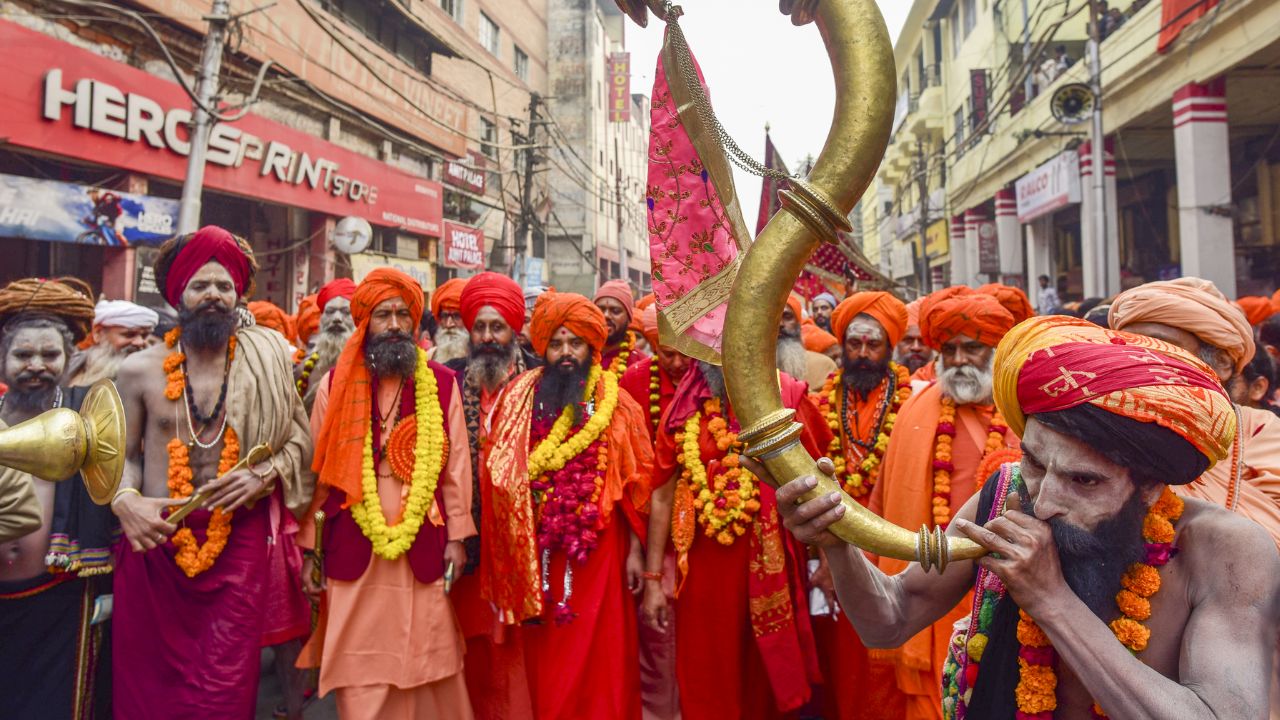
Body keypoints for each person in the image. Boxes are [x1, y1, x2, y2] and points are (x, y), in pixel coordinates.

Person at [776, 314, 1280, 720]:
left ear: (1150, 487)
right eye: (1035, 462)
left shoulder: (1225, 551)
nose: (1043, 502)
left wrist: (1050, 600)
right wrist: (836, 540)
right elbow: (888, 621)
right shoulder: (1006, 496)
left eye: (1084, 481)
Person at [111, 226, 314, 719]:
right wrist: (126, 501)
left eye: (225, 286)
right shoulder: (138, 370)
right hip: (156, 540)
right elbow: (120, 456)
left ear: (238, 295)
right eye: (200, 285)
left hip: (236, 543)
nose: (214, 296)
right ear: (178, 294)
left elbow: (299, 441)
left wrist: (263, 475)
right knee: (147, 686)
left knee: (224, 685)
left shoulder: (266, 359)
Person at [298, 267, 475, 719]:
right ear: (365, 323)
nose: (394, 325)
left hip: (422, 535)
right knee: (359, 655)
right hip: (353, 535)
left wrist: (457, 537)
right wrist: (309, 551)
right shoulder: (335, 383)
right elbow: (318, 474)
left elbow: (456, 468)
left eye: (402, 315)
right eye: (383, 315)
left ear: (414, 321)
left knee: (425, 647)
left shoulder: (442, 383)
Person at [482, 290, 654, 719]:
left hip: (600, 548)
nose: (564, 353)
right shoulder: (520, 395)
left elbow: (638, 480)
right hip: (536, 548)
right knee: (546, 664)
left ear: (591, 346)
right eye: (556, 343)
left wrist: (637, 551)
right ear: (542, 347)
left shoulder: (615, 402)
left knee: (601, 656)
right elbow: (497, 467)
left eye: (575, 343)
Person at [867, 286, 1020, 720]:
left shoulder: (1023, 410)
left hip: (1004, 585)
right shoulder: (916, 410)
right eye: (949, 350)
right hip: (929, 585)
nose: (958, 360)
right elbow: (883, 500)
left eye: (972, 348)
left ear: (996, 352)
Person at [0, 277, 113, 720]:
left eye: (50, 355)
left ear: (69, 359)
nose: (36, 365)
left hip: (59, 601)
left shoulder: (89, 418)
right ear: (3, 360)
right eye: (23, 355)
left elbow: (121, 472)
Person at [1109, 277, 1280, 548]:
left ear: (1222, 364)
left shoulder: (1267, 436)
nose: (1140, 361)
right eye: (1129, 347)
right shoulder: (1100, 435)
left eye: (1162, 346)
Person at [809, 292, 914, 720]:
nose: (864, 354)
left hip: (894, 546)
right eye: (855, 344)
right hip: (836, 545)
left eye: (874, 344)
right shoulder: (820, 403)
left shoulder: (911, 401)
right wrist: (826, 555)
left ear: (890, 347)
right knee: (843, 661)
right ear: (842, 345)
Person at [445, 272, 541, 720]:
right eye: (479, 327)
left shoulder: (540, 381)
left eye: (497, 327)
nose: (487, 337)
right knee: (471, 637)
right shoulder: (449, 380)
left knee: (519, 647)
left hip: (522, 537)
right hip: (469, 535)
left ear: (515, 330)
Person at [619, 304, 688, 719]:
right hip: (648, 526)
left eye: (685, 353)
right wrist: (635, 547)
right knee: (657, 633)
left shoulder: (716, 380)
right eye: (667, 354)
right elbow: (632, 472)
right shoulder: (633, 381)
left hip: (708, 527)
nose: (677, 364)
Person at [67, 299, 158, 387]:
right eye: (129, 335)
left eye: (144, 336)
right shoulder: (71, 365)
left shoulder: (155, 379)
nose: (140, 342)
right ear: (98, 333)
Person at [296, 279, 356, 411]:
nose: (337, 318)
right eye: (330, 311)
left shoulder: (370, 366)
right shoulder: (303, 371)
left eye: (346, 312)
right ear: (321, 319)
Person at [779, 292, 837, 390]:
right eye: (773, 318)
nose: (780, 324)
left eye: (787, 317)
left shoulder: (824, 367)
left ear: (799, 324)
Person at [595, 279, 650, 375]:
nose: (606, 315)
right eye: (600, 309)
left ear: (629, 318)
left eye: (615, 311)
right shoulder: (580, 356)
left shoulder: (641, 365)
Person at [897, 298, 936, 383]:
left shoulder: (944, 385)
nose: (916, 347)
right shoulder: (883, 382)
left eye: (923, 340)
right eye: (908, 340)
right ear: (896, 344)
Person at [431, 278, 469, 364]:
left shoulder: (479, 360)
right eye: (444, 316)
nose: (449, 324)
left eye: (457, 316)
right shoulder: (429, 357)